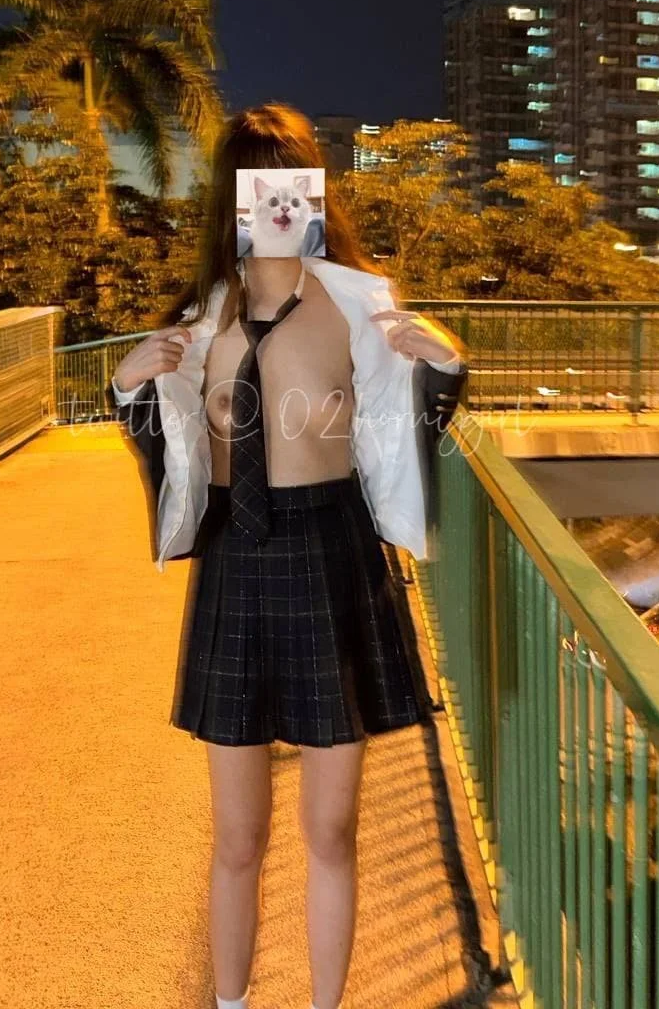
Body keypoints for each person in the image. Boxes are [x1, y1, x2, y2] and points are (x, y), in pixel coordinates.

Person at [110, 103, 468, 1009]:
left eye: (288, 177)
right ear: (230, 200)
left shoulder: (360, 308)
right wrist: (126, 386)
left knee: (332, 830)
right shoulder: (200, 323)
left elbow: (404, 436)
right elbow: (172, 454)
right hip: (237, 558)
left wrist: (444, 367)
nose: (273, 200)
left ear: (312, 190)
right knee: (238, 838)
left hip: (333, 553)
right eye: (253, 181)